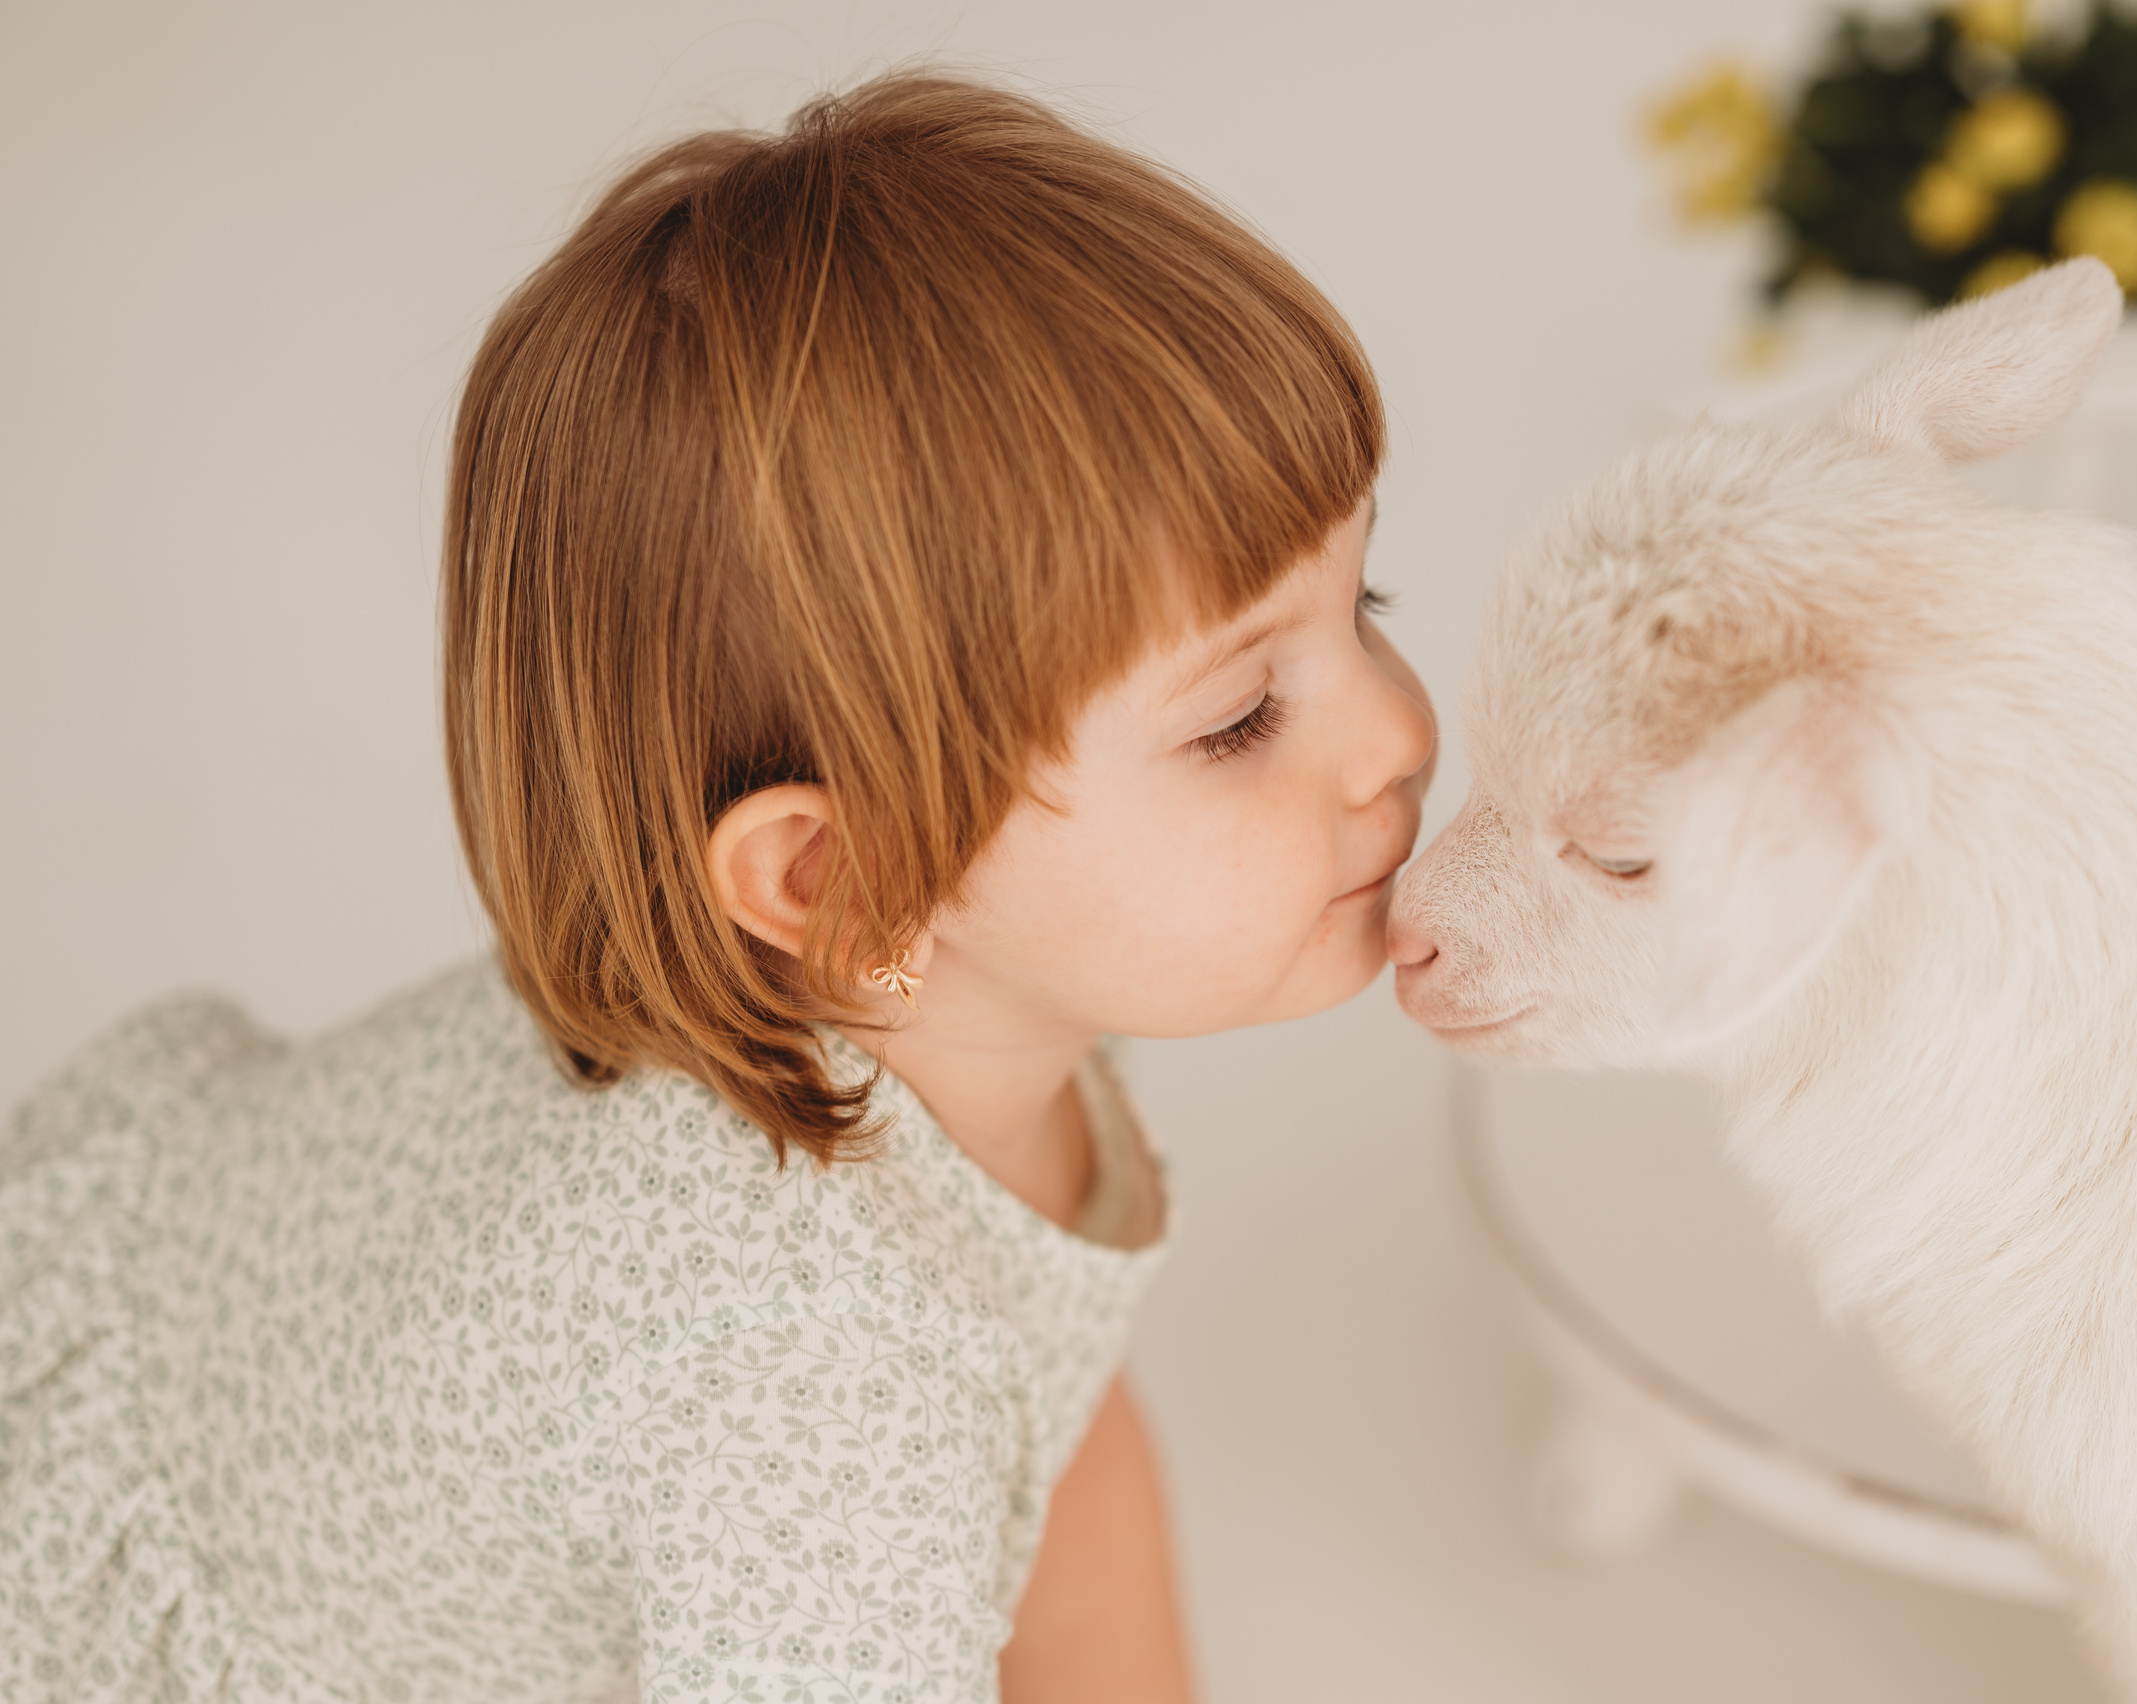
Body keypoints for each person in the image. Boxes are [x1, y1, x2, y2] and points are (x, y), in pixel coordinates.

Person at [0, 73, 1434, 1704]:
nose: (1396, 732)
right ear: (842, 877)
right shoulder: (813, 1394)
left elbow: (1058, 1417)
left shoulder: (965, 1018)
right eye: (1238, 719)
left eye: (1366, 599)